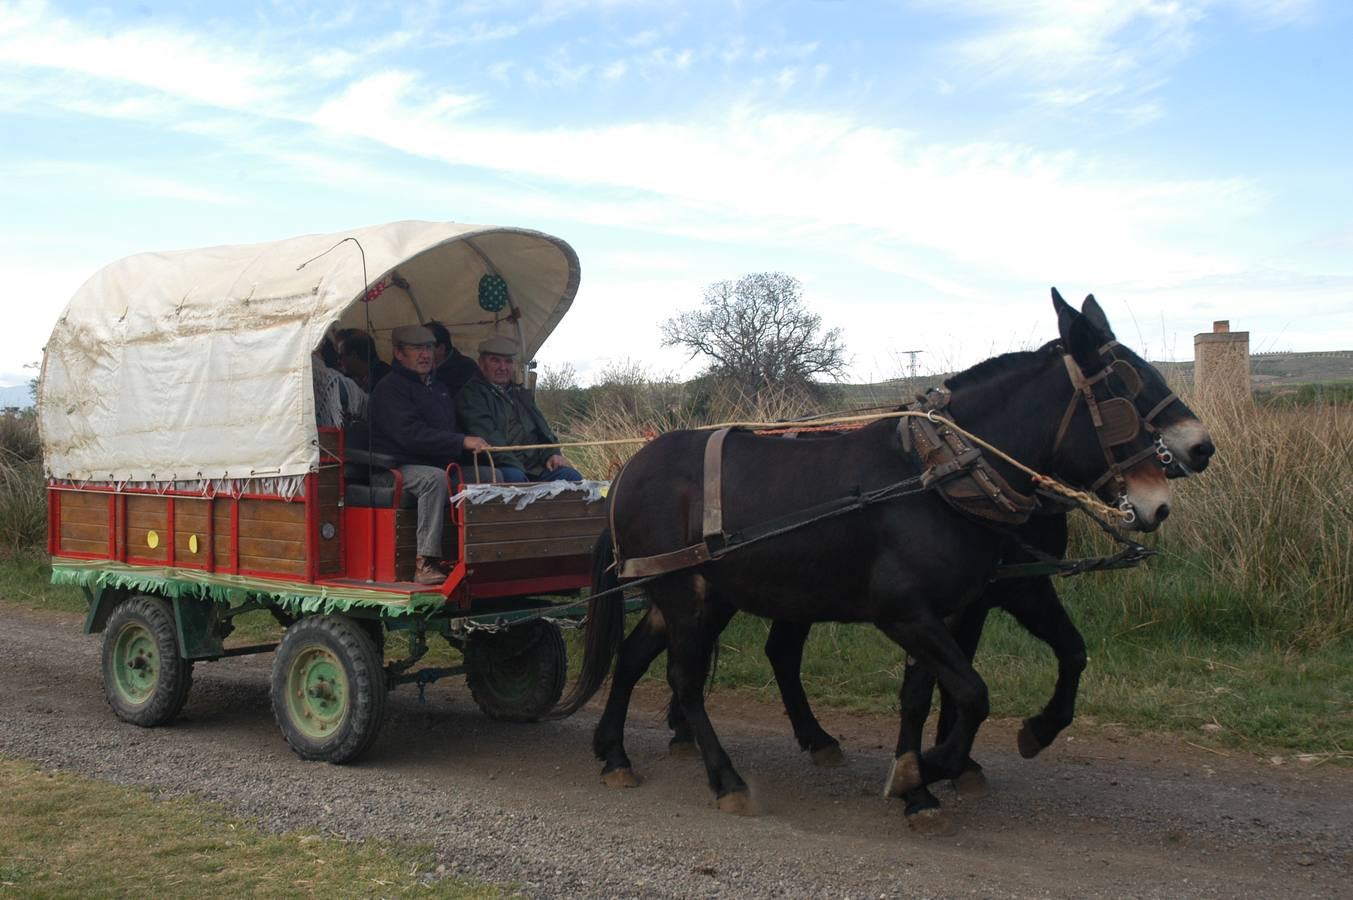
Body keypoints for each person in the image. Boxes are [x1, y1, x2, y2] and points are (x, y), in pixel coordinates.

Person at [370, 325, 489, 585]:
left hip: (437, 462)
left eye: (429, 348)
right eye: (417, 349)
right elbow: (410, 435)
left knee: (491, 476)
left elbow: (450, 429)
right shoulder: (389, 389)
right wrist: (461, 441)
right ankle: (425, 563)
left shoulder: (439, 388)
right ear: (399, 353)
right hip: (395, 468)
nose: (425, 354)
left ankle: (483, 554)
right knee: (433, 480)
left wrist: (471, 446)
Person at [456, 336, 582, 483]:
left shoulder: (520, 393)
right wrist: (524, 475)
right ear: (482, 364)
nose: (503, 367)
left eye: (508, 361)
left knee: (572, 477)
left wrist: (553, 454)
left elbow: (543, 430)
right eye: (495, 361)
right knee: (515, 479)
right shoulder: (471, 395)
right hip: (500, 466)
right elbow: (489, 439)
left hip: (536, 467)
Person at [423, 320, 479, 396]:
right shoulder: (415, 366)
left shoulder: (466, 368)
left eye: (427, 347)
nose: (421, 352)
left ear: (441, 349)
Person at [337, 329, 391, 393]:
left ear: (354, 355)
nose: (338, 361)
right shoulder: (348, 380)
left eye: (340, 356)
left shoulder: (387, 381)